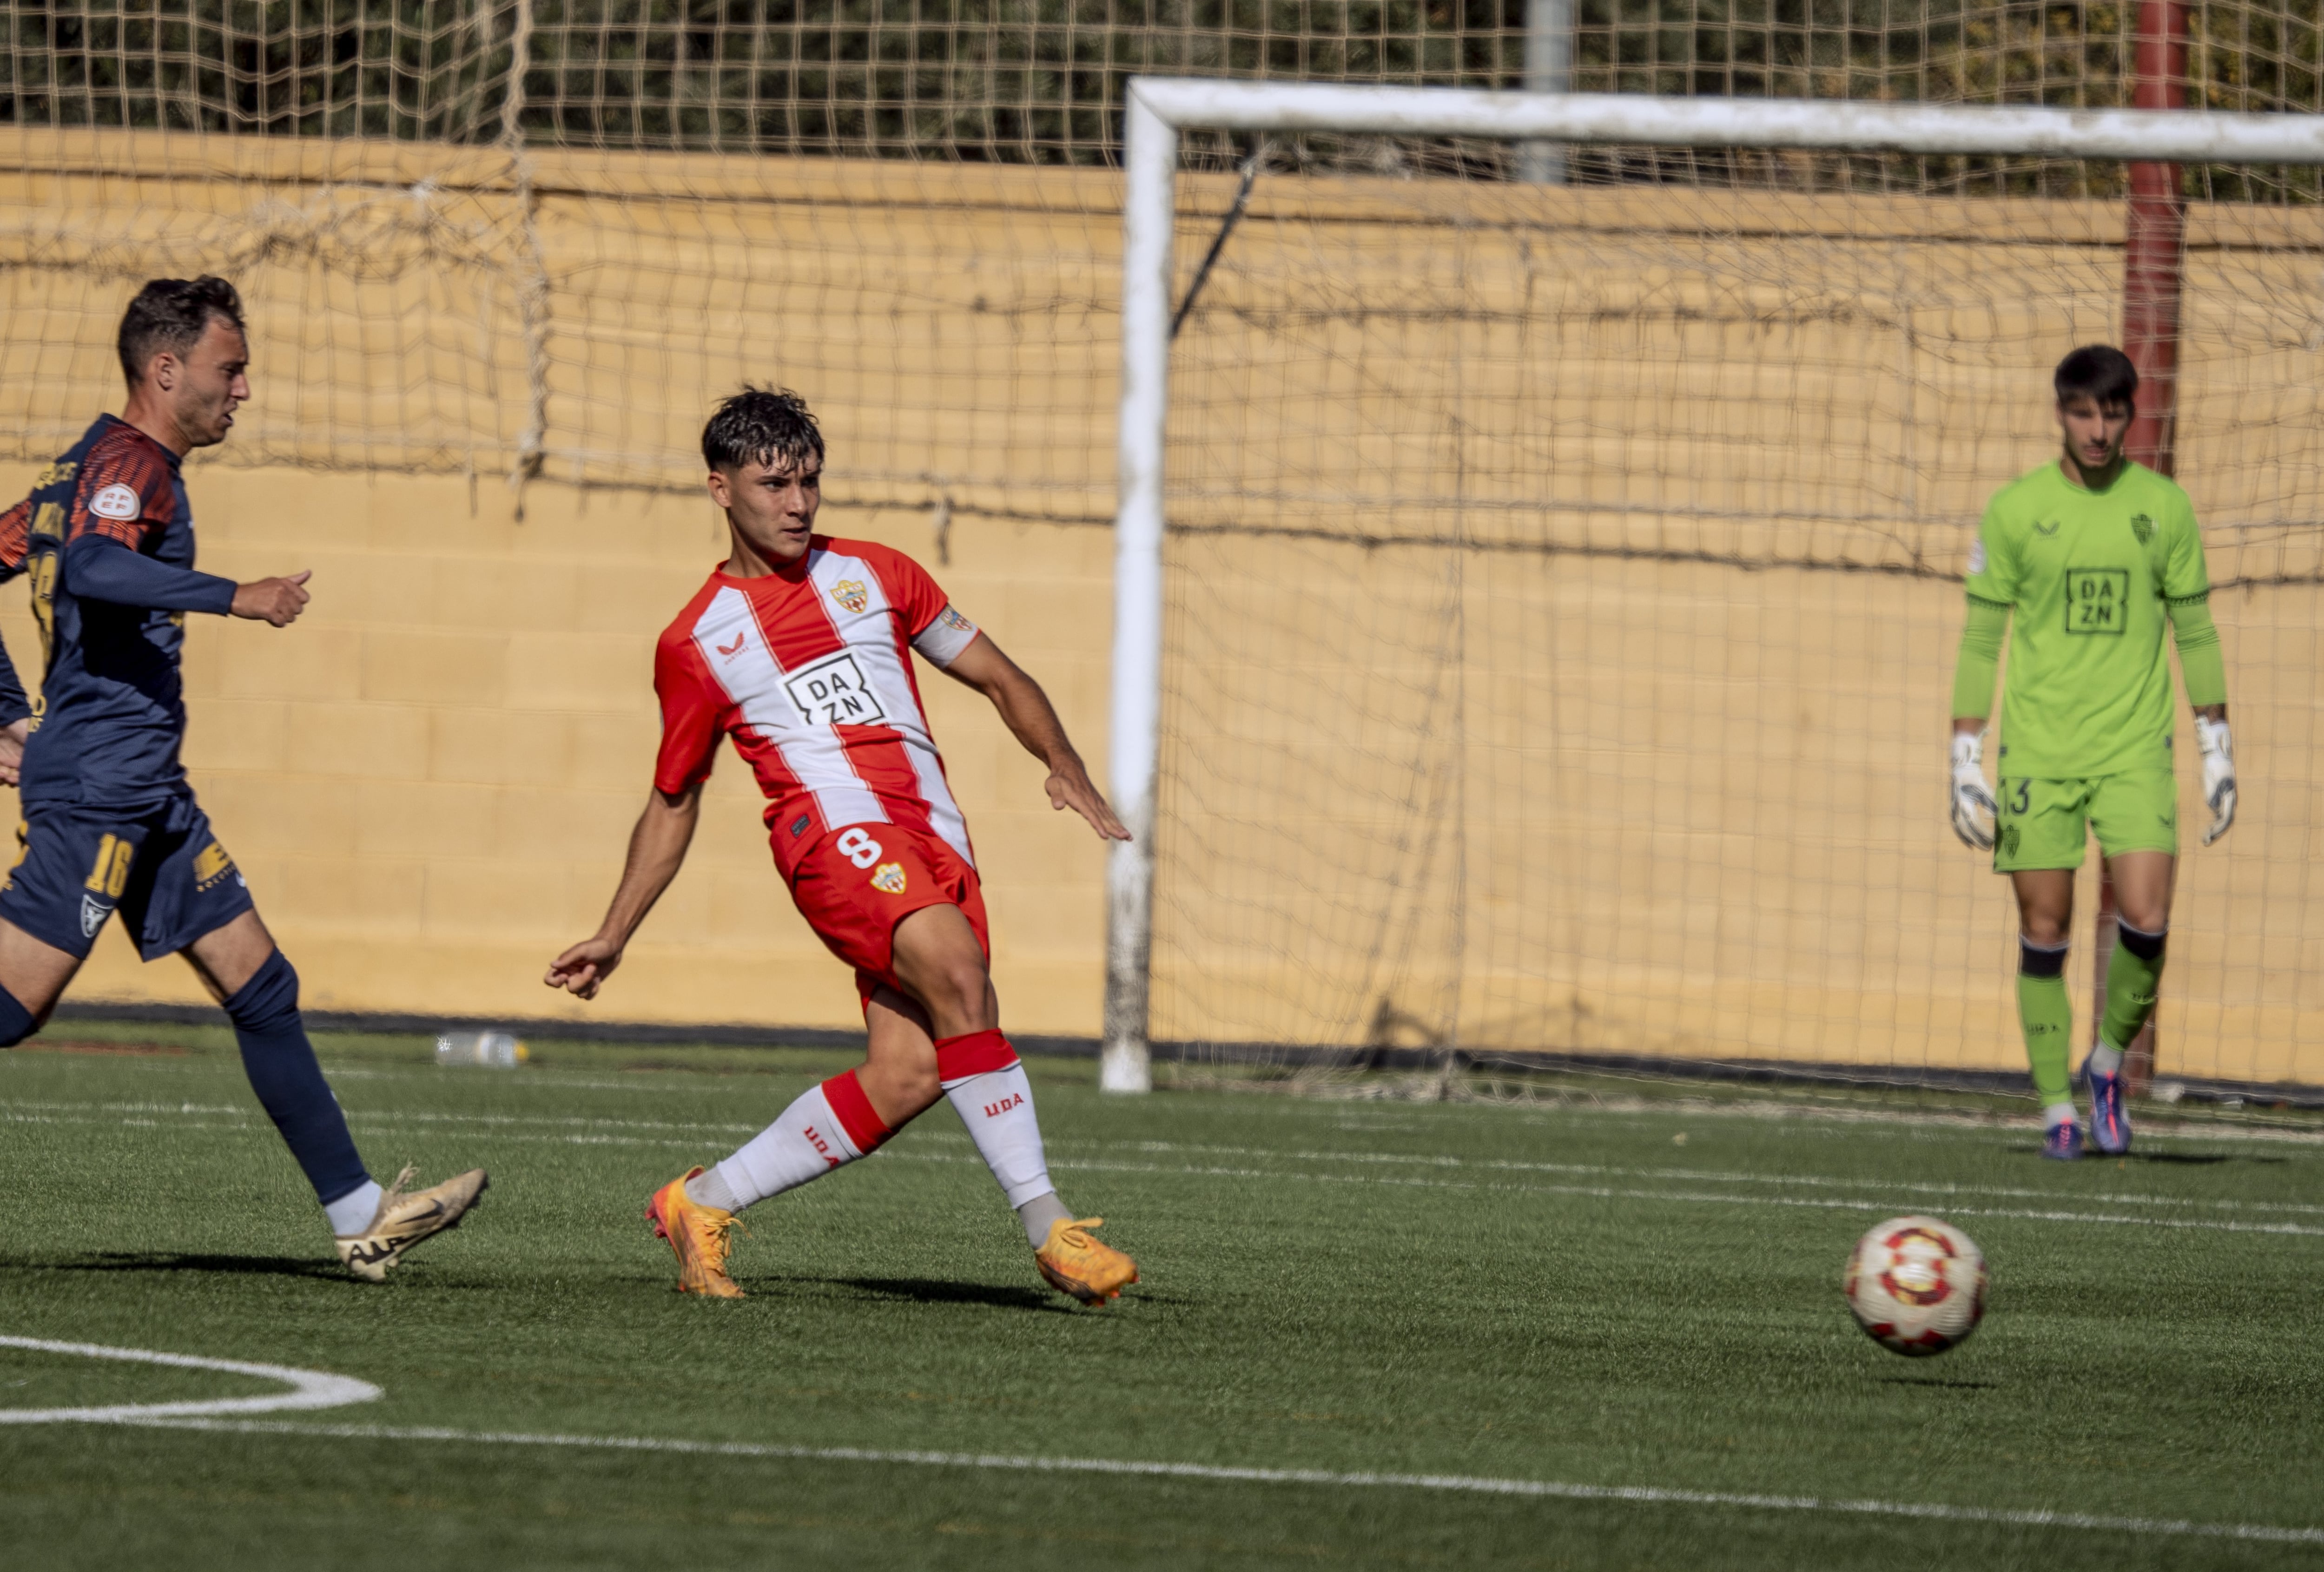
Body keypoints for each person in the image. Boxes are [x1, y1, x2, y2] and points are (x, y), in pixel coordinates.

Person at [546, 387, 1140, 1305]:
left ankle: (698, 1203)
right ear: (721, 489)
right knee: (956, 973)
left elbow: (999, 674)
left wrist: (1063, 764)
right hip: (828, 837)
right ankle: (1049, 1225)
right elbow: (673, 800)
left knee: (909, 1072)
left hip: (932, 836)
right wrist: (615, 929)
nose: (797, 503)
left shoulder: (879, 575)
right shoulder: (697, 642)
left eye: (809, 482)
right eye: (773, 483)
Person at [0, 276, 487, 1275]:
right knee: (14, 1009)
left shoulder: (82, 468)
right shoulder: (129, 466)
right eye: (231, 369)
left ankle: (360, 1214)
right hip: (102, 789)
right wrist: (239, 596)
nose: (244, 390)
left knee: (262, 984)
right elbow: (93, 566)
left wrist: (9, 716)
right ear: (165, 369)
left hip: (147, 789)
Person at [1947, 344, 2234, 1160]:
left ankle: (2106, 1064)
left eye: (2114, 413)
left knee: (2147, 917)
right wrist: (1965, 756)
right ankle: (2054, 1109)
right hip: (2038, 753)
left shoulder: (2165, 509)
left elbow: (2197, 628)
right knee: (2047, 928)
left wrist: (2216, 743)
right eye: (2083, 412)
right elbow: (1980, 640)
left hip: (2135, 750)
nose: (2099, 429)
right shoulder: (2013, 511)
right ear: (2060, 412)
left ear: (2132, 415)